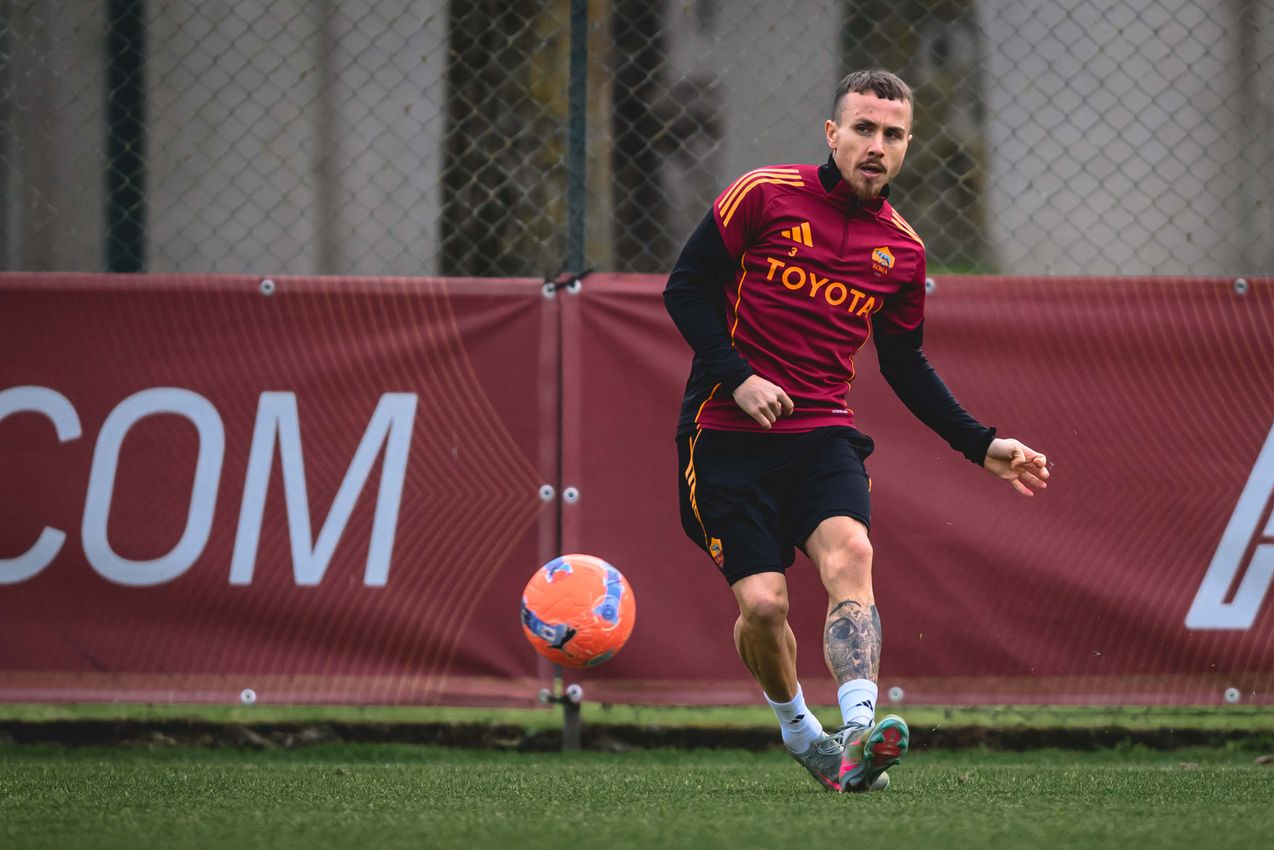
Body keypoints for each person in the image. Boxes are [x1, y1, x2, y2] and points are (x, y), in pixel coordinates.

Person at [663, 69, 1049, 793]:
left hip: (821, 435)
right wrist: (740, 375)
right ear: (832, 133)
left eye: (893, 134)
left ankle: (860, 728)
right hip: (722, 432)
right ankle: (802, 734)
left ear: (907, 146)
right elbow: (684, 288)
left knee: (853, 552)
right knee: (764, 606)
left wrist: (980, 442)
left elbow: (905, 366)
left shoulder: (901, 251)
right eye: (863, 129)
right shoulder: (762, 194)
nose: (877, 146)